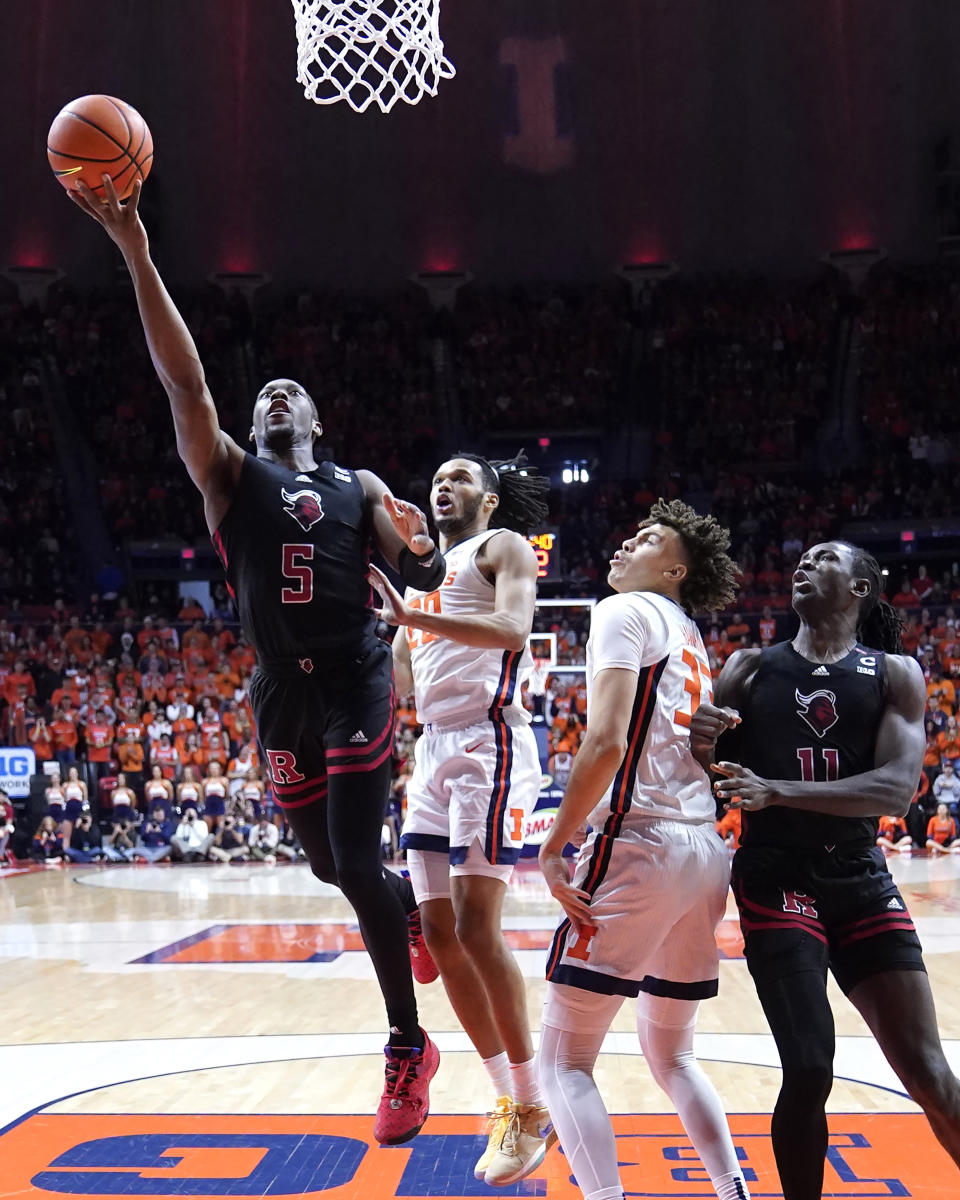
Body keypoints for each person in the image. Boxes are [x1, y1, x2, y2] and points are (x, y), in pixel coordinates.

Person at [68, 173, 444, 1145]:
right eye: (265, 391)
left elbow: (429, 567)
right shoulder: (233, 474)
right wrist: (137, 250)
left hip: (356, 677)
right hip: (279, 696)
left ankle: (408, 1047)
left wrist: (425, 541)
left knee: (356, 858)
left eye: (293, 391)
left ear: (314, 419)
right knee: (331, 868)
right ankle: (401, 908)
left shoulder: (361, 485)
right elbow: (183, 382)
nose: (275, 392)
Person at [693, 540, 960, 1198]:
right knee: (810, 1067)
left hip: (861, 876)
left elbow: (896, 790)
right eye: (801, 560)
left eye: (823, 559)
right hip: (777, 876)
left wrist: (777, 789)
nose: (803, 565)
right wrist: (702, 749)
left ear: (862, 588)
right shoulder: (749, 667)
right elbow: (714, 780)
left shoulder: (894, 672)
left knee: (930, 1074)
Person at [537, 499, 751, 1200]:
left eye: (647, 538)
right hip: (702, 855)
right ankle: (732, 1190)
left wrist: (554, 844)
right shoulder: (692, 636)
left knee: (563, 1062)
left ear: (676, 567)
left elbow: (605, 743)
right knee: (673, 1054)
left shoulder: (622, 612)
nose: (626, 542)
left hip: (642, 846)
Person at [369, 452, 553, 1187]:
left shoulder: (501, 547)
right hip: (433, 748)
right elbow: (403, 675)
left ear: (489, 495)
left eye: (459, 478)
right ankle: (507, 1098)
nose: (443, 485)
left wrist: (413, 614)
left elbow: (510, 630)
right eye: (435, 477)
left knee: (478, 926)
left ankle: (533, 1106)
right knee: (438, 932)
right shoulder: (419, 578)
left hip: (490, 741)